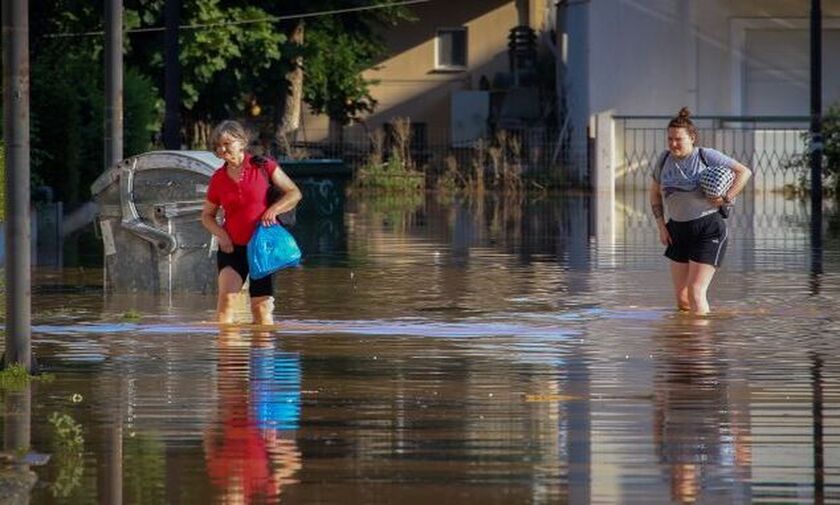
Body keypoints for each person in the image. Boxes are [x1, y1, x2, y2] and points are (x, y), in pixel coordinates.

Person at [649, 108, 752, 315]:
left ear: (692, 138)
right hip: (676, 230)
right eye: (669, 139)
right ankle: (685, 341)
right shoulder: (663, 160)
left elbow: (744, 172)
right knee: (682, 298)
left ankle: (701, 344)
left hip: (708, 229)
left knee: (696, 292)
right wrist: (661, 226)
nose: (673, 144)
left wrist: (727, 197)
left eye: (678, 139)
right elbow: (654, 194)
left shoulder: (706, 155)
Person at [201, 120, 302, 325]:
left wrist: (274, 210)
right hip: (232, 249)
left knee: (261, 310)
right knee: (226, 302)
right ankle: (228, 356)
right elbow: (207, 216)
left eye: (227, 144)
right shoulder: (218, 178)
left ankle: (262, 355)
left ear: (242, 142)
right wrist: (222, 235)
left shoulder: (264, 167)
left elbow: (294, 193)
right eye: (218, 146)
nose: (222, 149)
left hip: (262, 249)